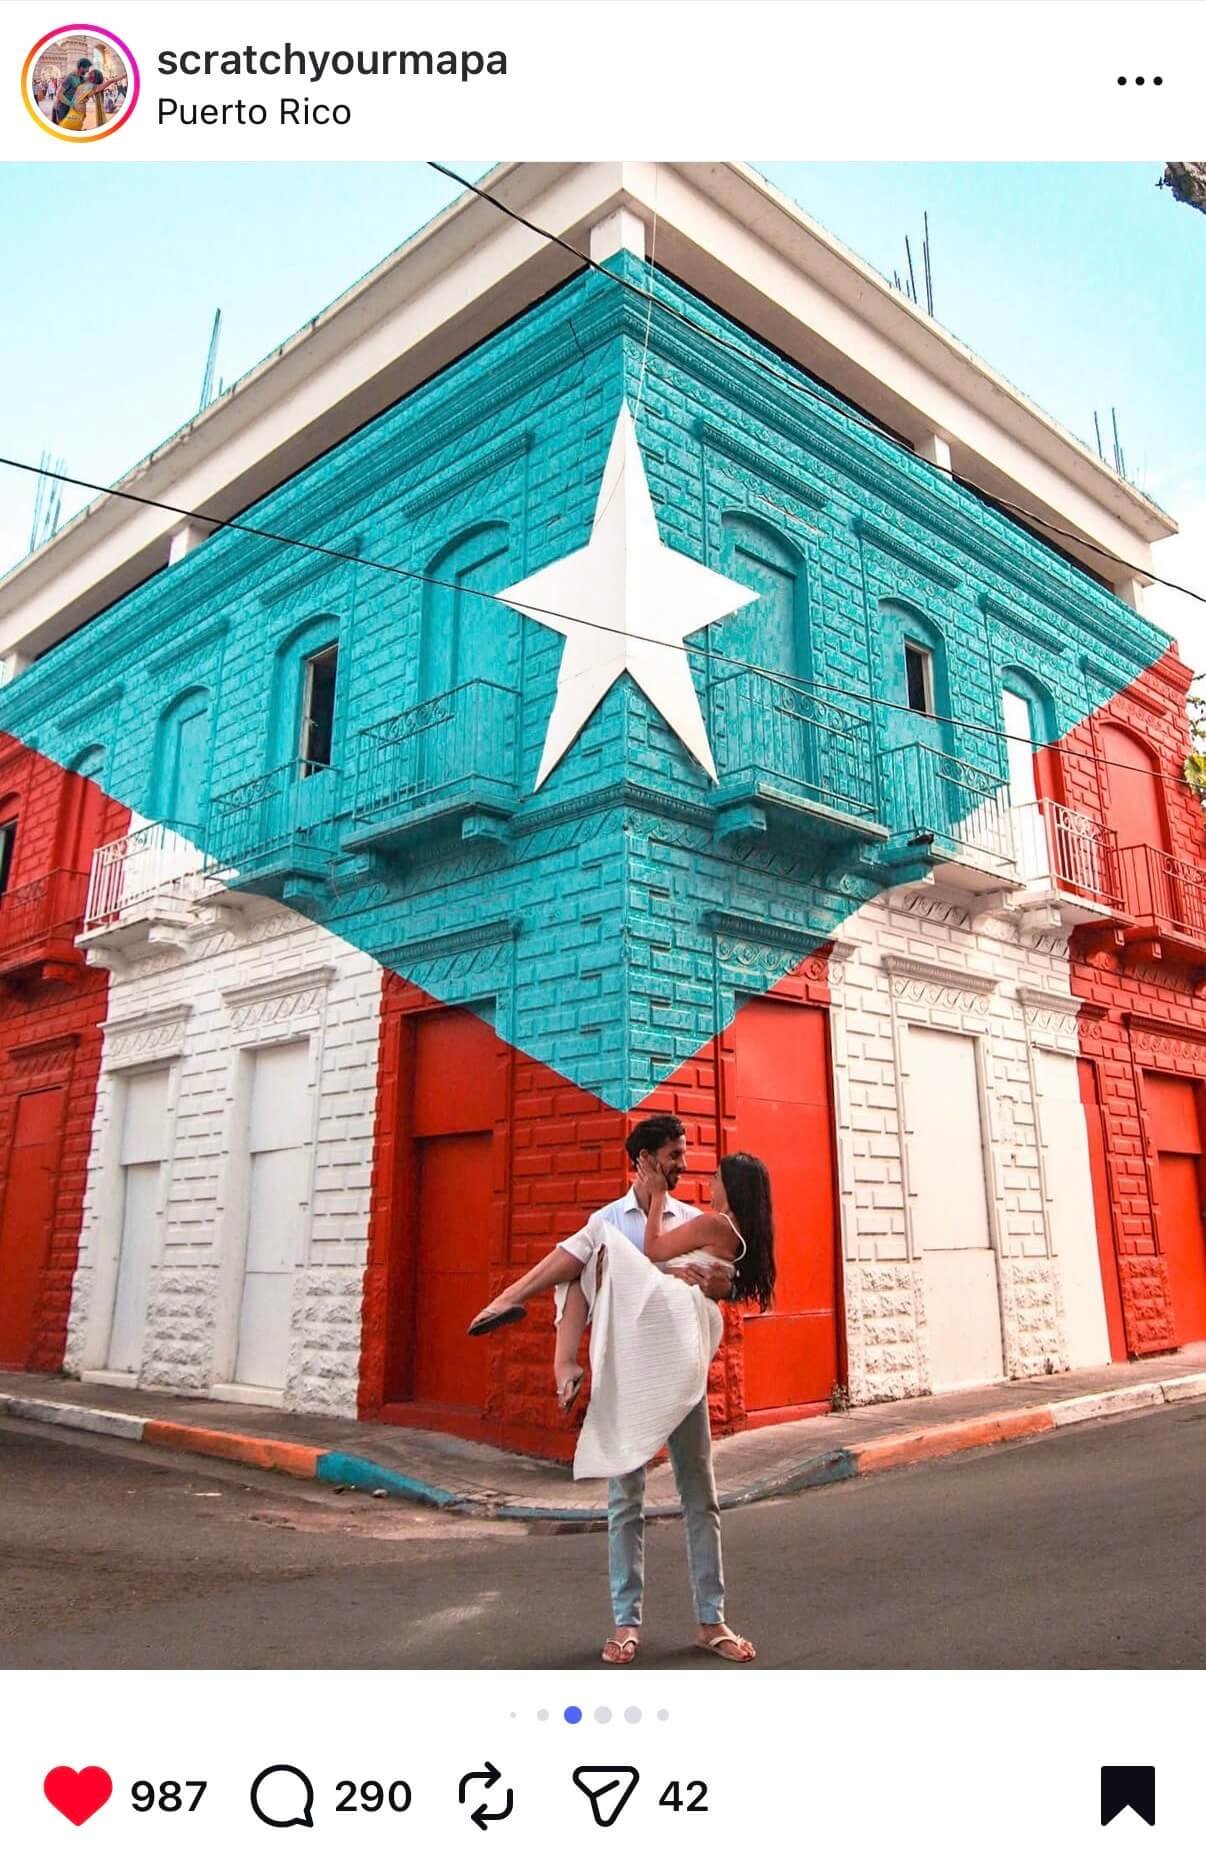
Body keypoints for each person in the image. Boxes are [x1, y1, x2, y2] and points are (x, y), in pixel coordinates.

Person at [469, 1120, 776, 1666]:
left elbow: (723, 1269)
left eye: (685, 1155)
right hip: (627, 1375)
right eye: (674, 1155)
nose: (685, 1165)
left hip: (679, 1369)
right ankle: (626, 1622)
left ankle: (712, 1621)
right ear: (645, 1159)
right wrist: (568, 1361)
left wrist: (723, 1284)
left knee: (700, 1495)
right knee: (625, 1501)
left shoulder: (692, 1218)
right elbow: (582, 1290)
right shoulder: (609, 1221)